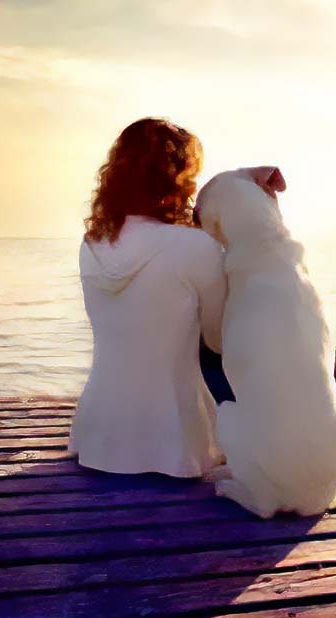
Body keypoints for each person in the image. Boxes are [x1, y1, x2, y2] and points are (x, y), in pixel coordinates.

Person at [70, 118, 226, 478]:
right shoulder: (196, 246)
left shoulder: (90, 244)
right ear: (178, 180)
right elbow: (219, 340)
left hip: (98, 439)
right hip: (175, 445)